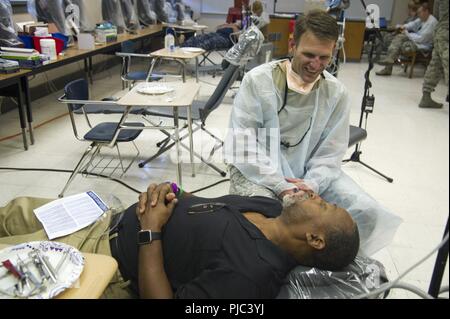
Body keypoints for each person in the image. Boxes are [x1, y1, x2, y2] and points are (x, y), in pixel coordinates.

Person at [224, 9, 402, 256]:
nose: (315, 65)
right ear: (292, 45)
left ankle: (337, 273)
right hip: (257, 170)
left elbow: (330, 154)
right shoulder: (258, 81)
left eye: (324, 58)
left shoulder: (335, 93)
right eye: (308, 54)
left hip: (308, 176)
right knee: (269, 216)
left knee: (366, 212)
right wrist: (279, 184)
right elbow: (243, 146)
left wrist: (312, 184)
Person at [0, 182, 359, 299]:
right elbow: (207, 209)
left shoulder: (250, 276)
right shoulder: (268, 206)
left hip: (96, 258)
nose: (314, 195)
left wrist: (150, 230)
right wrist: (170, 193)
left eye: (322, 204)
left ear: (314, 239)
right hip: (97, 217)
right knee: (12, 212)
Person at [376, 2, 438, 76]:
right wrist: (402, 27)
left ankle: (388, 67)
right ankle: (389, 63)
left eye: (419, 13)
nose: (418, 15)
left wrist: (407, 34)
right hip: (416, 40)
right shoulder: (423, 18)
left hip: (423, 45)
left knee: (399, 40)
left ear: (426, 11)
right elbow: (412, 24)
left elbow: (422, 39)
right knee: (398, 39)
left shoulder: (432, 22)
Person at [181, 0, 269, 51]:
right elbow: (237, 24)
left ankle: (183, 54)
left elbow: (241, 39)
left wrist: (233, 27)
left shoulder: (254, 25)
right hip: (220, 34)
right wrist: (227, 25)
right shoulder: (247, 19)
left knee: (203, 43)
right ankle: (179, 50)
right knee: (199, 38)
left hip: (228, 39)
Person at [418, 0, 448, 108]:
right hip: (447, 31)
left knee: (436, 64)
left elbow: (436, 14)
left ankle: (426, 97)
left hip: (441, 31)